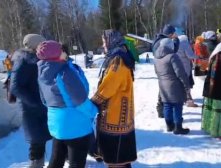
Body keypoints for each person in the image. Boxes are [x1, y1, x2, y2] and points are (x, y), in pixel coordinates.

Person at [36, 40, 98, 168]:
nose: (64, 52)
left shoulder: (41, 72)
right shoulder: (64, 71)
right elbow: (80, 100)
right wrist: (94, 111)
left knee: (56, 160)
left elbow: (44, 100)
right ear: (56, 54)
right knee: (76, 163)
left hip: (56, 123)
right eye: (61, 50)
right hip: (75, 125)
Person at [91, 29, 137, 168]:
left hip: (115, 114)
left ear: (112, 40)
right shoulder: (120, 54)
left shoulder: (118, 59)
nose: (103, 45)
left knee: (116, 159)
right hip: (120, 112)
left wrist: (94, 101)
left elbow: (110, 85)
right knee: (120, 158)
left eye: (105, 41)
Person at [10, 34, 51, 168]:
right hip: (31, 109)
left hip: (39, 107)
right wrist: (35, 102)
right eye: (42, 43)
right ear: (35, 45)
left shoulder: (33, 59)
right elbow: (15, 86)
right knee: (36, 143)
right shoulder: (23, 60)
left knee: (42, 140)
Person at [154, 38, 191, 134]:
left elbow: (157, 73)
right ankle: (178, 127)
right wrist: (186, 84)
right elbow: (180, 73)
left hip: (162, 85)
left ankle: (169, 125)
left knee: (167, 105)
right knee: (178, 105)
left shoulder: (156, 57)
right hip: (174, 85)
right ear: (170, 45)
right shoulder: (172, 56)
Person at [153, 24, 180, 118]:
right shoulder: (165, 41)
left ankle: (161, 110)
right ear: (170, 33)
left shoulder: (157, 40)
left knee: (162, 87)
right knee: (166, 89)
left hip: (158, 65)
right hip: (166, 66)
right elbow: (174, 50)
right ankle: (162, 110)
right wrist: (176, 40)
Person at [177, 35, 198, 107]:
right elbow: (190, 55)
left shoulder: (176, 43)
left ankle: (181, 97)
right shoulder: (185, 43)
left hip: (177, 67)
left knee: (180, 83)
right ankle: (188, 99)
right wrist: (198, 56)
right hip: (185, 66)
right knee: (186, 84)